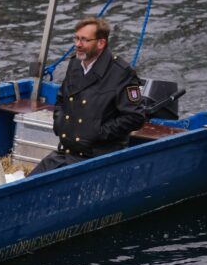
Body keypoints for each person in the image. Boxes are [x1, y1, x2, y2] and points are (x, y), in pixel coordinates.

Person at [30, 17, 146, 175]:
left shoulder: (121, 73)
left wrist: (97, 132)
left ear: (101, 43)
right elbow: (61, 99)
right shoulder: (75, 64)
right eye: (76, 38)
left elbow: (135, 117)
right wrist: (60, 123)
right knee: (29, 183)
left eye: (84, 40)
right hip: (66, 152)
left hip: (98, 156)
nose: (78, 44)